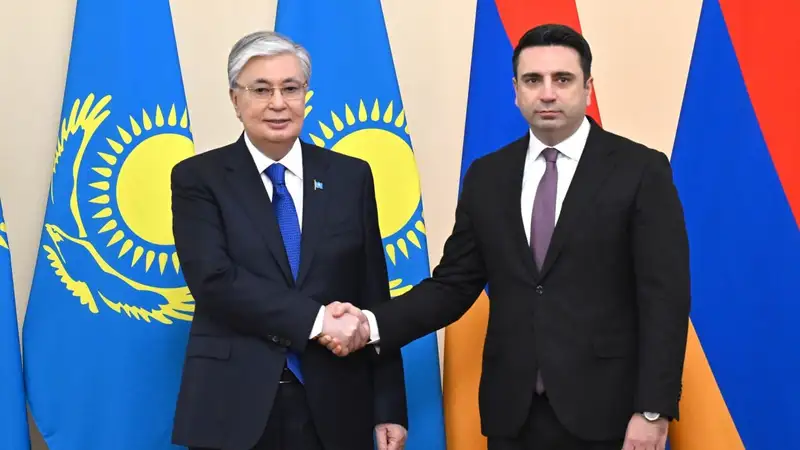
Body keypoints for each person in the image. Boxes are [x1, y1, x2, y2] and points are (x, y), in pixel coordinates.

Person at [322, 23, 690, 450]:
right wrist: (369, 324)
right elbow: (453, 286)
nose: (547, 93)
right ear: (516, 91)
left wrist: (653, 410)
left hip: (609, 414)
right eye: (533, 80)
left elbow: (665, 299)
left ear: (588, 88)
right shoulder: (488, 176)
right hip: (512, 416)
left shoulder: (640, 170)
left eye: (562, 79)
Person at [169, 31, 408, 450]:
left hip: (337, 399)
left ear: (305, 95)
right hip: (233, 401)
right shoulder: (198, 178)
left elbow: (373, 292)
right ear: (235, 99)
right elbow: (213, 280)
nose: (278, 103)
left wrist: (388, 404)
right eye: (261, 90)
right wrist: (318, 321)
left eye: (291, 88)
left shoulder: (350, 176)